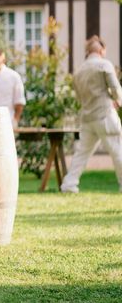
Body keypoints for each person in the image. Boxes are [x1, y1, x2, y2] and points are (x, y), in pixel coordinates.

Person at [61, 36, 122, 193]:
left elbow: (79, 97)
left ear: (88, 51)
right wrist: (119, 101)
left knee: (81, 153)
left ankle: (69, 184)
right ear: (101, 50)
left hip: (87, 118)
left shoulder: (79, 71)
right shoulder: (104, 65)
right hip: (105, 115)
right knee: (118, 150)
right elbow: (115, 88)